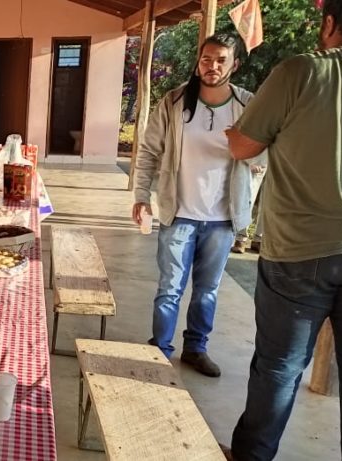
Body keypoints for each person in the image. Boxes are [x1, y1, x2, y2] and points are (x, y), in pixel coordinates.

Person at [225, 0, 342, 458]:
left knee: (279, 369)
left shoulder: (302, 70)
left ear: (330, 22)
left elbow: (243, 146)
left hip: (300, 252)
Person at [132, 34, 265, 377]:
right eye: (207, 59)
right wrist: (141, 197)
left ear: (235, 65)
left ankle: (196, 348)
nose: (212, 66)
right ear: (198, 62)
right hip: (178, 214)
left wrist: (249, 155)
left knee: (207, 290)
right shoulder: (175, 101)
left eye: (221, 60)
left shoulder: (247, 105)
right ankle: (160, 350)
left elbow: (265, 153)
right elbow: (149, 150)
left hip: (222, 218)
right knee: (169, 289)